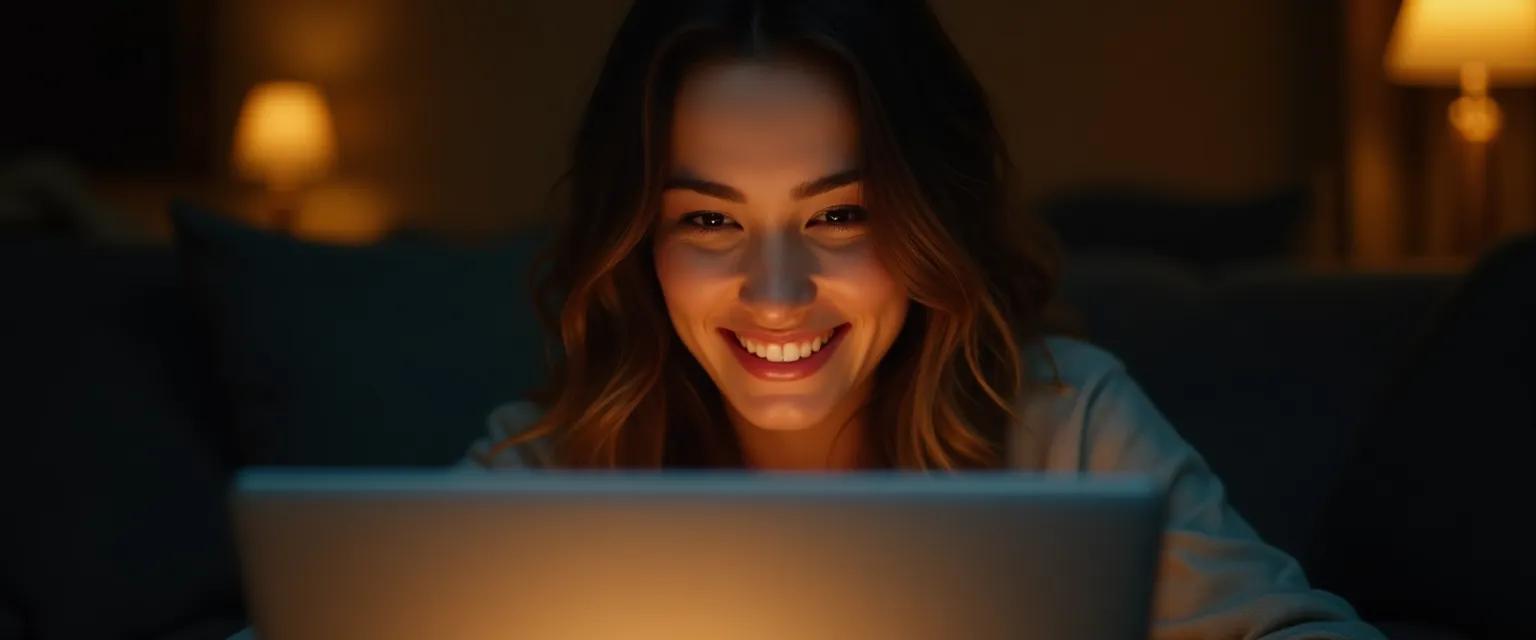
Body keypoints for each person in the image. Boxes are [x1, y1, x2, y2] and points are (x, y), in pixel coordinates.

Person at [462, 1, 1383, 638]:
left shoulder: (1064, 426)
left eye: (838, 215)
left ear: (926, 222)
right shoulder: (545, 470)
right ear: (637, 244)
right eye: (710, 221)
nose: (777, 293)